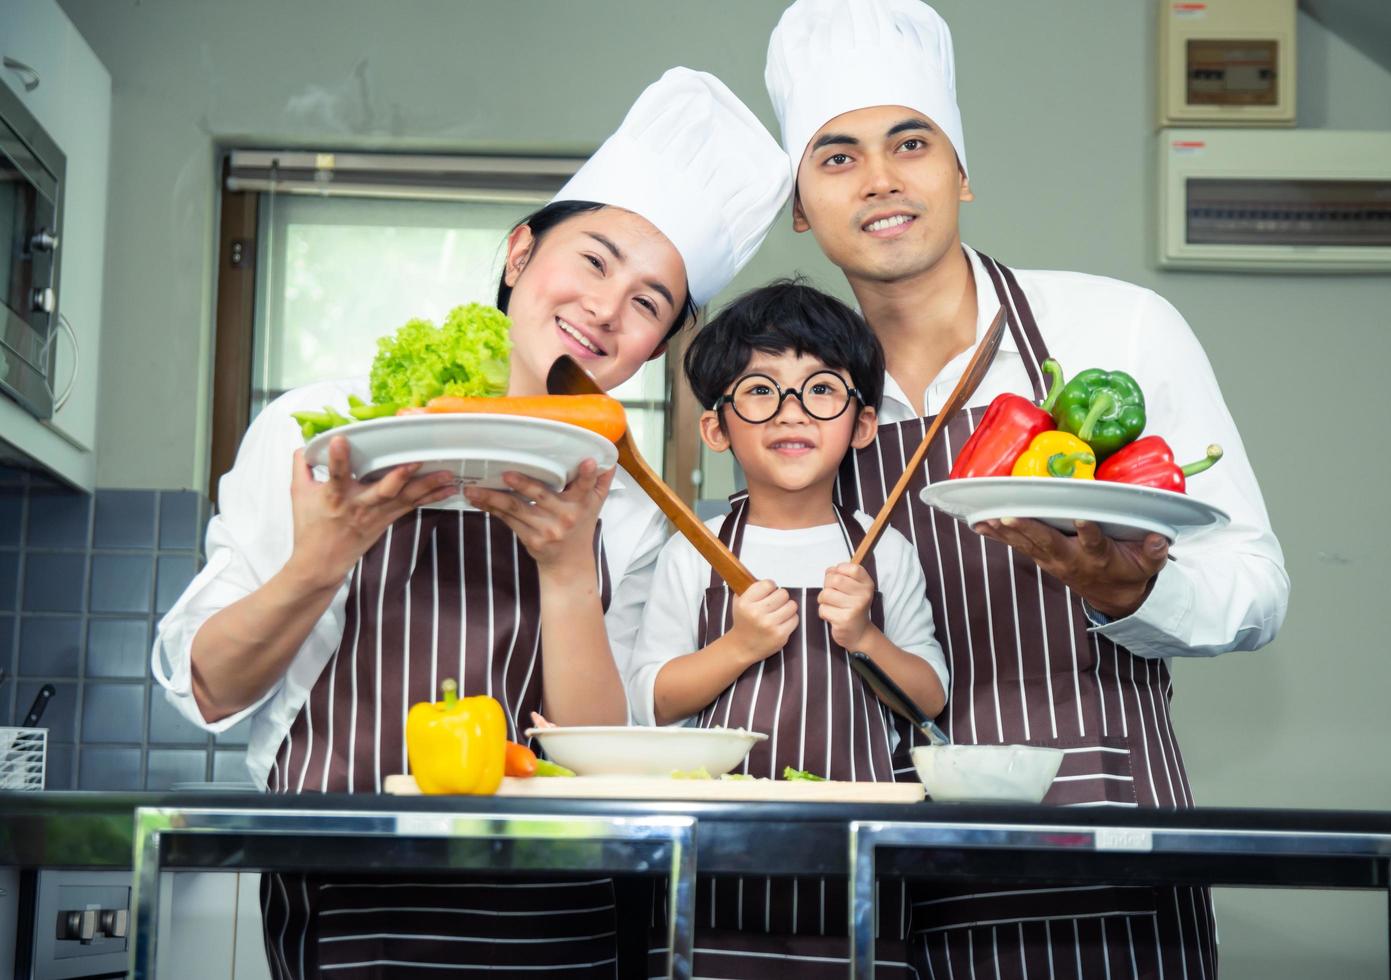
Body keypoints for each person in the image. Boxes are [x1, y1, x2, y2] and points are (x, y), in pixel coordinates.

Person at [151, 67, 791, 979]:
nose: (607, 311)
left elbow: (597, 752)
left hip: (559, 913)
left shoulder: (624, 500)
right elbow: (208, 687)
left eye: (650, 302)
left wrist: (569, 571)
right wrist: (322, 557)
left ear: (659, 342)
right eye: (594, 260)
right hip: (348, 895)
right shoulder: (332, 427)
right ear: (519, 253)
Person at [763, 1, 1291, 976]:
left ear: (961, 168)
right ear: (800, 203)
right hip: (883, 870)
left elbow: (1258, 585)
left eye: (909, 143)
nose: (879, 179)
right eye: (836, 157)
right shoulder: (798, 395)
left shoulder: (1114, 330)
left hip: (1102, 848)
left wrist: (1132, 589)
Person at [627, 279, 947, 977]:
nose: (791, 413)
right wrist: (738, 647)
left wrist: (866, 637)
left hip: (861, 864)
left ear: (862, 423)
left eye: (822, 390)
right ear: (717, 426)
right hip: (713, 858)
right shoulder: (696, 549)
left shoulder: (885, 550)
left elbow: (928, 699)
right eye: (760, 391)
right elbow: (648, 699)